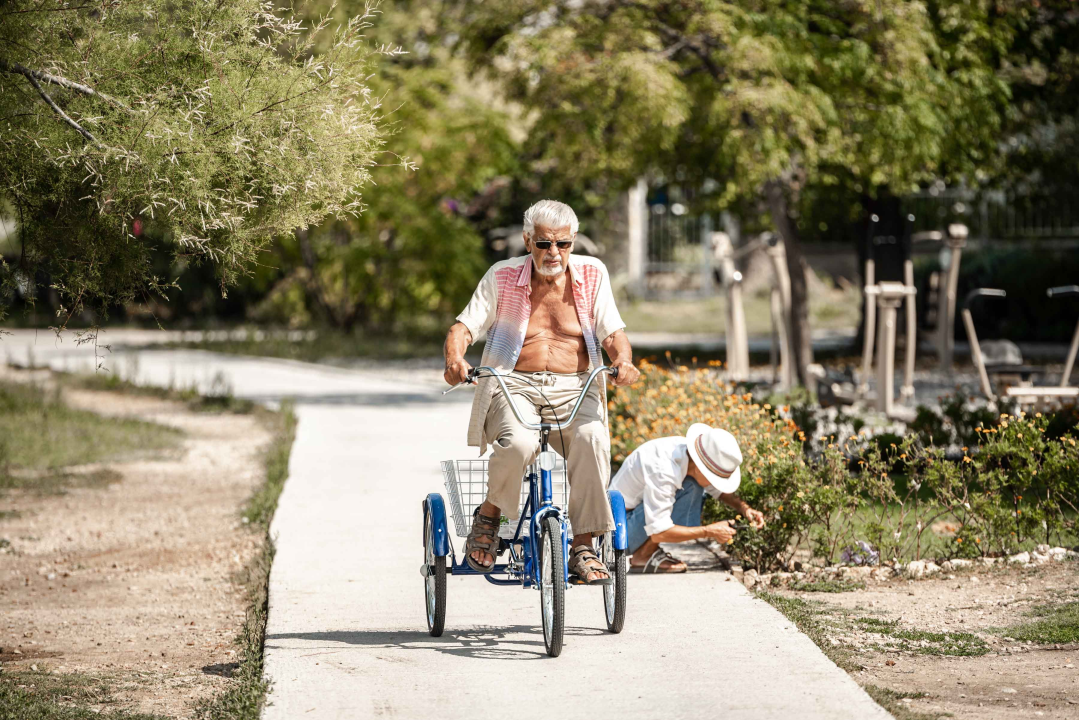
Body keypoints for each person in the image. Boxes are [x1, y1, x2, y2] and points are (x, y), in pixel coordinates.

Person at [443, 199, 641, 584]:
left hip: (576, 385)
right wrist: (455, 360)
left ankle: (582, 544)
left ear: (573, 242)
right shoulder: (502, 276)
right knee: (517, 443)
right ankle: (490, 515)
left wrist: (624, 362)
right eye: (544, 243)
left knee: (593, 438)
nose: (554, 253)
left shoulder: (593, 274)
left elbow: (614, 334)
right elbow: (462, 328)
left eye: (563, 244)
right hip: (513, 382)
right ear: (527, 239)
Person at [609, 424, 766, 573]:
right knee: (692, 487)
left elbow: (717, 491)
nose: (715, 484)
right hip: (618, 533)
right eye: (715, 478)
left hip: (629, 520)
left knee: (693, 485)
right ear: (701, 468)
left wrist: (744, 508)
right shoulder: (664, 471)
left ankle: (647, 551)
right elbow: (659, 531)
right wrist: (709, 531)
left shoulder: (691, 456)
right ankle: (644, 555)